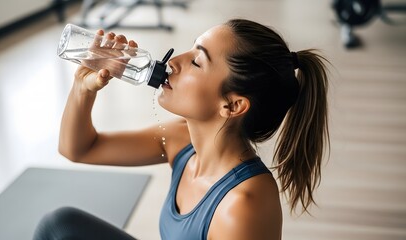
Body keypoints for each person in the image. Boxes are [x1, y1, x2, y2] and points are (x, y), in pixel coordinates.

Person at [33, 18, 330, 240]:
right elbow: (78, 149)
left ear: (232, 105)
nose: (173, 62)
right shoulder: (179, 139)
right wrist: (84, 86)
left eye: (197, 62)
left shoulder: (244, 203)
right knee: (59, 226)